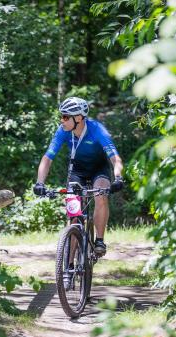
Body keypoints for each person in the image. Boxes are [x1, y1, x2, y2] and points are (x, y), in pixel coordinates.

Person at [33, 96, 123, 255]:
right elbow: (47, 158)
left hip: (99, 169)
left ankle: (100, 240)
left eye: (65, 117)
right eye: (61, 116)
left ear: (79, 118)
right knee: (74, 214)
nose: (62, 120)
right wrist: (40, 183)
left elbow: (115, 159)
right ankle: (69, 267)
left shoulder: (97, 130)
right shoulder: (63, 131)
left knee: (100, 194)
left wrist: (118, 178)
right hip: (78, 171)